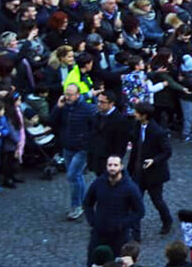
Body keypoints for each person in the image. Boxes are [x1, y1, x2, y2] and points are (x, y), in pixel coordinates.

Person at [83, 155, 144, 264]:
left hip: (119, 236)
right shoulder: (98, 183)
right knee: (93, 261)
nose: (112, 168)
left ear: (121, 167)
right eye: (110, 165)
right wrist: (93, 221)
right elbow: (87, 203)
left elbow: (139, 211)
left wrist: (123, 224)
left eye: (115, 165)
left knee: (117, 263)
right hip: (99, 232)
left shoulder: (130, 187)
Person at [52, 83, 98, 220]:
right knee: (77, 176)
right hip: (67, 146)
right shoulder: (63, 107)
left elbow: (95, 127)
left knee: (73, 175)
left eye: (70, 94)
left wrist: (89, 143)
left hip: (82, 148)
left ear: (78, 95)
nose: (68, 97)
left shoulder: (87, 109)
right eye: (66, 94)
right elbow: (52, 121)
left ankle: (76, 206)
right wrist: (57, 107)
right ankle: (85, 202)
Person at [129, 102, 173, 237]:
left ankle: (167, 220)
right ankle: (135, 232)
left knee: (157, 200)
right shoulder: (137, 126)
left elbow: (167, 151)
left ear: (144, 115)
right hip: (138, 171)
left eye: (136, 112)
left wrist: (154, 160)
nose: (134, 114)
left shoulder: (158, 132)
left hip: (154, 174)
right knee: (135, 201)